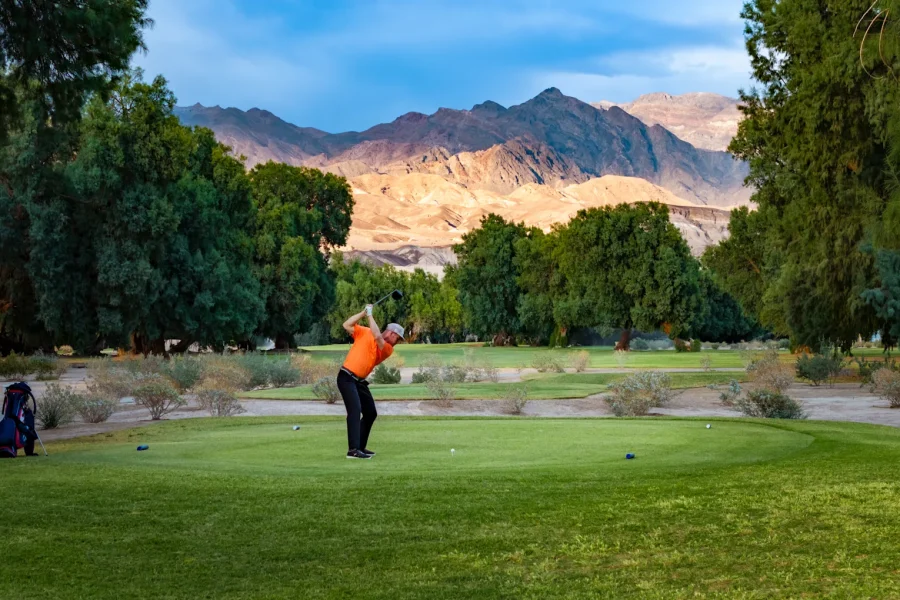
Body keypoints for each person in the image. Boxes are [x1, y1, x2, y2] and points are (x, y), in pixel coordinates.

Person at [338, 304, 405, 459]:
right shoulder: (364, 332)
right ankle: (353, 450)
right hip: (346, 377)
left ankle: (360, 447)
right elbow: (346, 324)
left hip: (359, 382)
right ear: (390, 332)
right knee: (355, 411)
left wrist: (369, 315)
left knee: (370, 413)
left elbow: (377, 337)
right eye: (397, 338)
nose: (397, 342)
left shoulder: (387, 348)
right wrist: (363, 313)